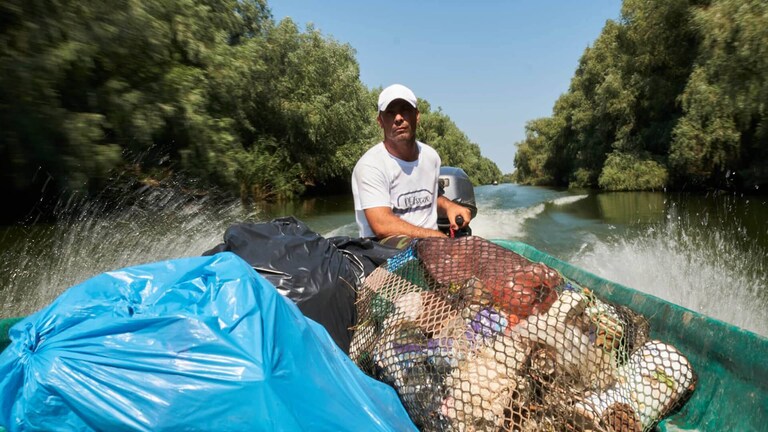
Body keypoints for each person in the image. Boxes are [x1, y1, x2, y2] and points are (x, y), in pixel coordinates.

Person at [352, 84, 472, 243]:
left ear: (417, 116)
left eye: (405, 110)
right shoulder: (370, 165)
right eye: (390, 113)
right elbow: (382, 225)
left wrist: (449, 206)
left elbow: (429, 197)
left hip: (432, 246)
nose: (398, 118)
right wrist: (435, 237)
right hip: (386, 251)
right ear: (380, 121)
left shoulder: (431, 157)